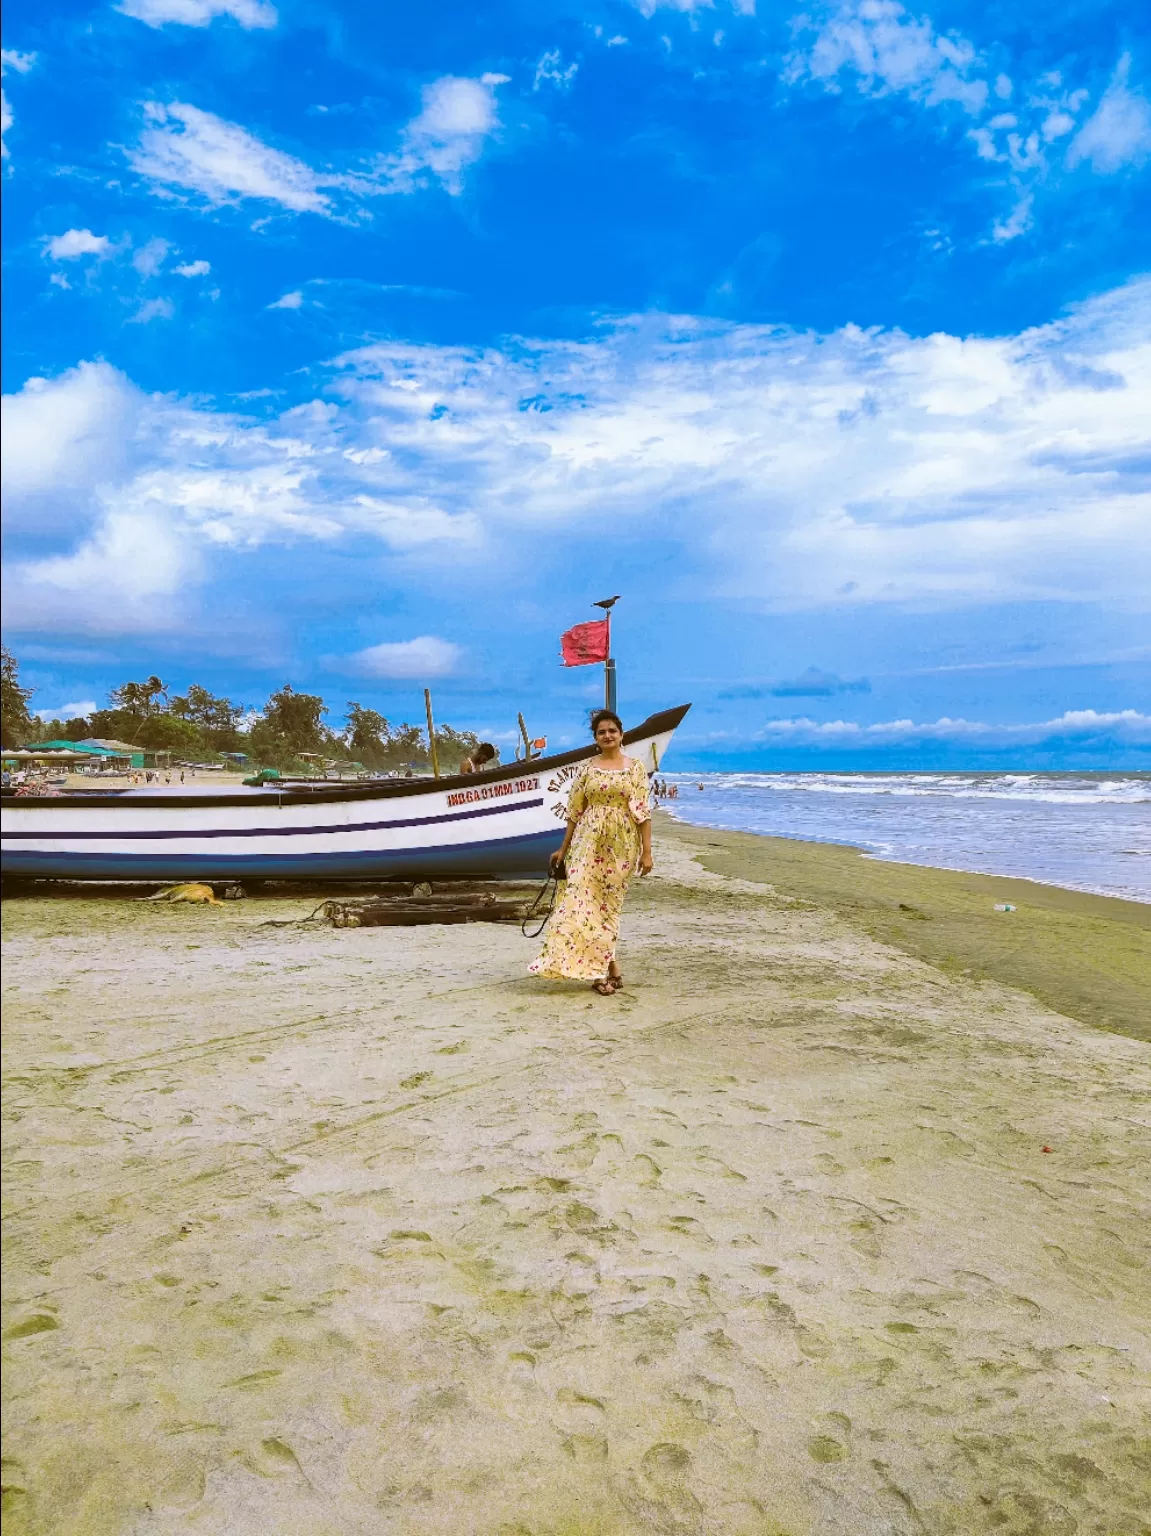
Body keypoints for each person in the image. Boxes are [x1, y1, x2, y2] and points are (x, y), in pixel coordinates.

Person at [529, 709, 653, 996]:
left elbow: (643, 814)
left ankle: (610, 967)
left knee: (609, 907)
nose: (607, 735)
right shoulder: (587, 768)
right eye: (601, 732)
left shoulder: (634, 768)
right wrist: (563, 847)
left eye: (612, 730)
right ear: (596, 738)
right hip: (587, 842)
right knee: (584, 903)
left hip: (622, 845)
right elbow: (575, 811)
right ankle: (599, 972)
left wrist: (647, 852)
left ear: (621, 735)